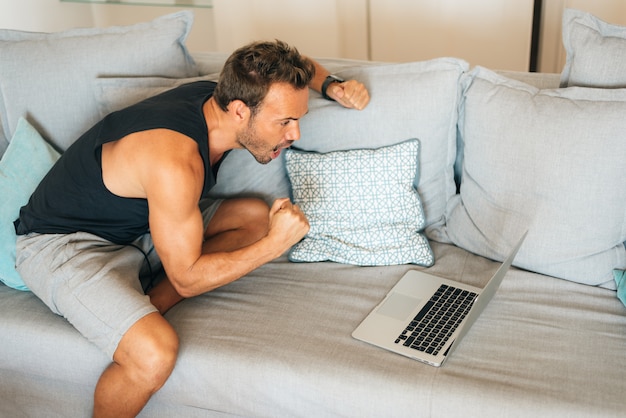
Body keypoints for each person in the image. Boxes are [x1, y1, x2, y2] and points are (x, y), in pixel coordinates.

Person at [13, 39, 370, 417]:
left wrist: (331, 84)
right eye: (284, 122)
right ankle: (140, 318)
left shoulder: (224, 94)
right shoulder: (175, 162)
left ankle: (149, 304)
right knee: (153, 354)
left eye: (297, 119)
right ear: (239, 111)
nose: (294, 134)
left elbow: (289, 65)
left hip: (132, 228)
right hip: (63, 246)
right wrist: (274, 244)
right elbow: (187, 278)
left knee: (252, 216)